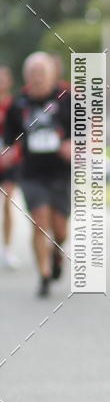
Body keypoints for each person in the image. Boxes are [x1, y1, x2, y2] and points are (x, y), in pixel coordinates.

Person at [4, 52, 71, 297]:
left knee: (60, 230)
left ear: (52, 75)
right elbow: (9, 139)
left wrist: (73, 145)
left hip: (61, 173)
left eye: (42, 73)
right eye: (33, 73)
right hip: (32, 173)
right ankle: (43, 274)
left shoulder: (67, 99)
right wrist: (9, 151)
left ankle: (56, 252)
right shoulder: (18, 104)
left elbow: (86, 132)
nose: (38, 78)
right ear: (26, 77)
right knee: (39, 221)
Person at [0, 66, 20, 269]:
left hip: (8, 162)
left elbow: (21, 133)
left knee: (7, 201)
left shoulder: (14, 105)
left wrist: (13, 150)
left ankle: (7, 248)